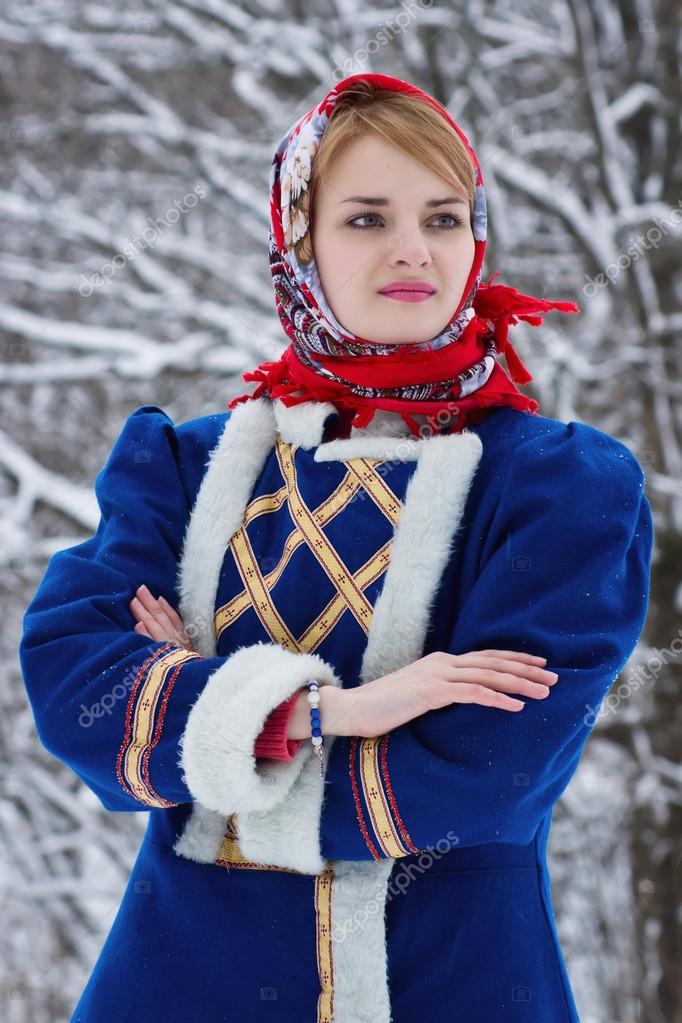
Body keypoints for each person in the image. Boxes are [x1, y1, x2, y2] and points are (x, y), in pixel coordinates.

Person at [19, 73, 653, 1023]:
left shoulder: (562, 490)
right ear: (299, 242)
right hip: (179, 985)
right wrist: (335, 712)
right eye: (366, 219)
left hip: (454, 983)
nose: (414, 251)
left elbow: (481, 776)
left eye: (444, 217)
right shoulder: (182, 467)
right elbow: (74, 689)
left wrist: (209, 732)